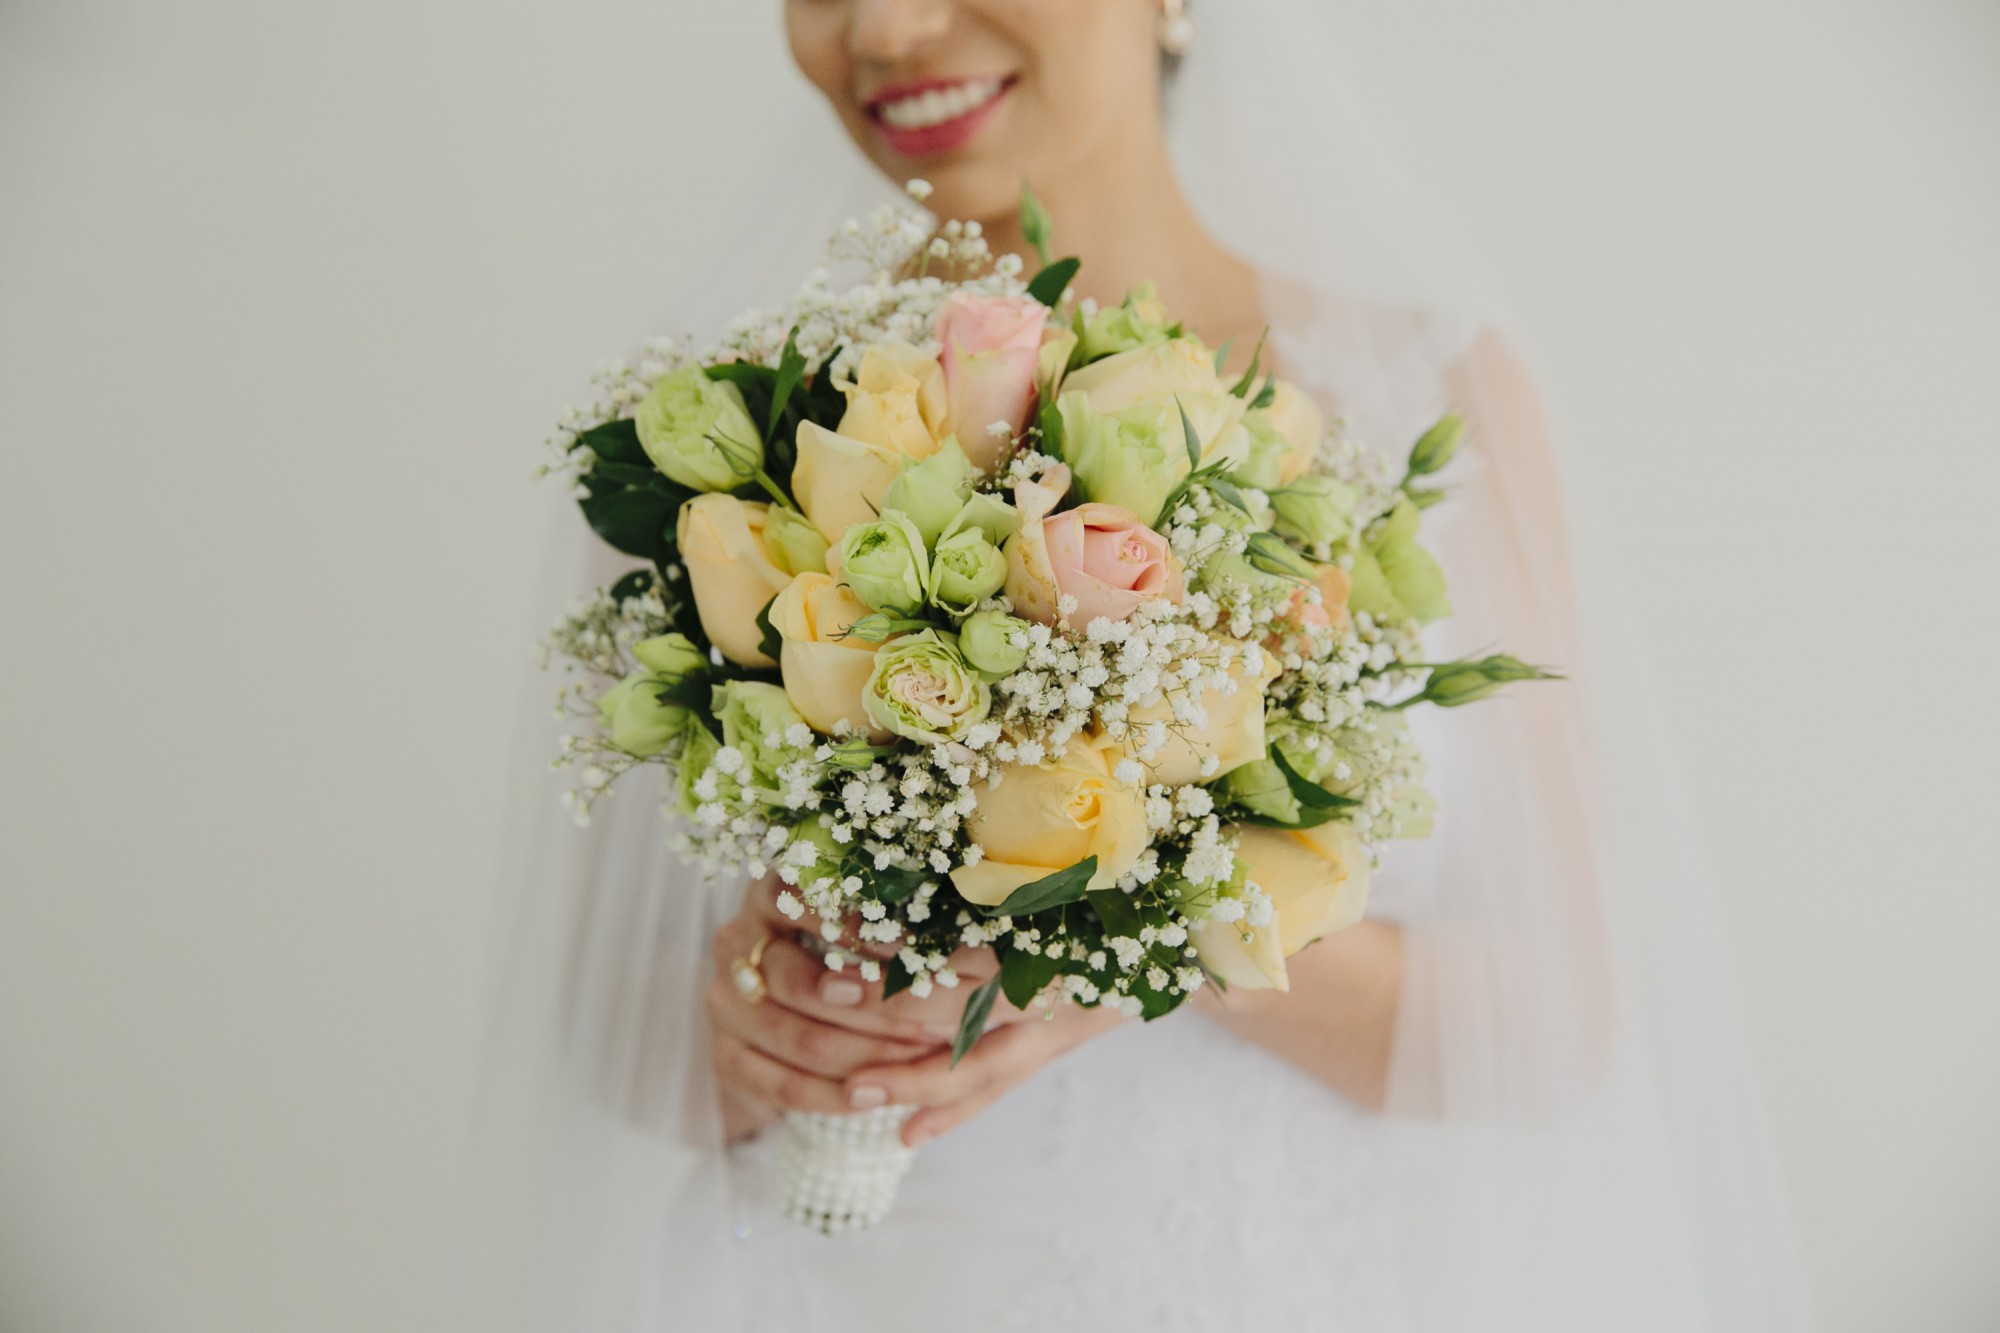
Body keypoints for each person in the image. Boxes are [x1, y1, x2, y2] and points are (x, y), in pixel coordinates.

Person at [453, 3, 1816, 1329]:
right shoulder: (731, 451)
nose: (884, 30)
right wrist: (754, 1041)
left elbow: (1555, 1025)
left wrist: (1130, 934)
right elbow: (623, 1035)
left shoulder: (1426, 393)